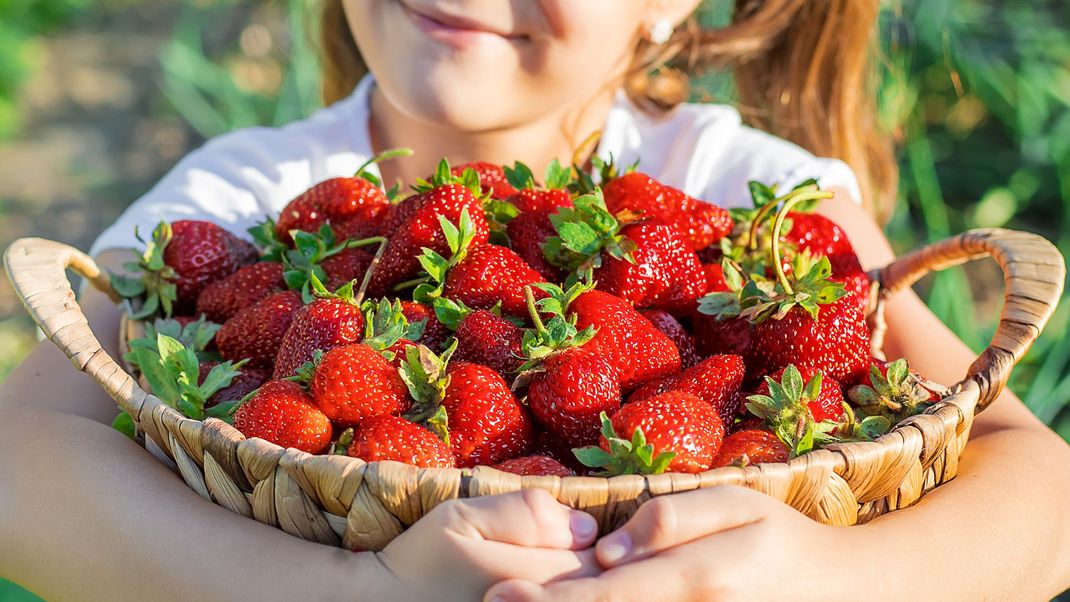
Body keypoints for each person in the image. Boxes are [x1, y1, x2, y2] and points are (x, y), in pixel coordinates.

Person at [2, 1, 1069, 600]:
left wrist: (828, 577)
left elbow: (1041, 491)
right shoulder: (245, 205)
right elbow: (17, 461)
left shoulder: (744, 192)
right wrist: (350, 593)